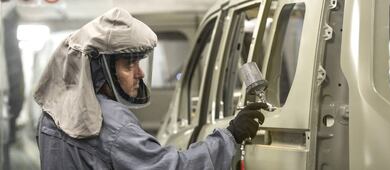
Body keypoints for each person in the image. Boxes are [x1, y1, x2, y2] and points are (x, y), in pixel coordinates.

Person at [34, 8, 264, 170]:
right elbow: (174, 167)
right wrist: (230, 136)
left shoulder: (51, 116)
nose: (140, 73)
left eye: (139, 63)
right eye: (129, 64)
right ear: (100, 68)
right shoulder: (112, 124)